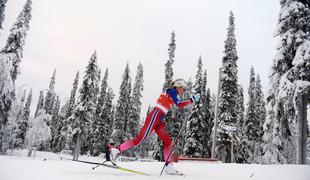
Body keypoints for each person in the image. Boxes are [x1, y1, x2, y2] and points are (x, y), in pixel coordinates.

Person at [108, 79, 200, 174]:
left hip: (159, 120)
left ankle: (168, 166)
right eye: (183, 89)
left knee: (167, 141)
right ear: (178, 86)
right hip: (155, 116)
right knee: (139, 140)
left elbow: (177, 103)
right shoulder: (173, 91)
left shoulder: (172, 93)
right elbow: (179, 104)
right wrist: (192, 100)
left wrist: (191, 100)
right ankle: (116, 150)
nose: (183, 91)